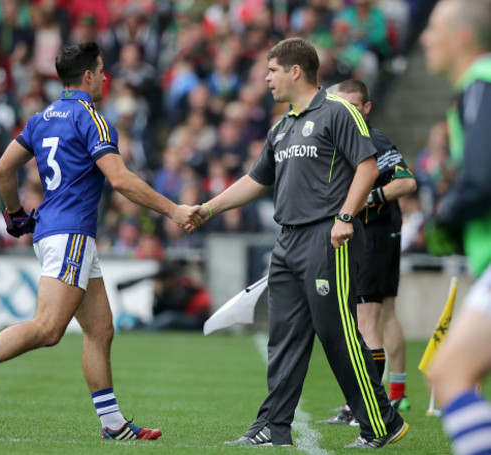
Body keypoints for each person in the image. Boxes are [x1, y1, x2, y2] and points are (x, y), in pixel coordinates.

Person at [0, 42, 200, 440]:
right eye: (102, 69)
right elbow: (121, 180)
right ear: (88, 76)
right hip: (72, 232)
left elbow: (3, 168)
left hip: (58, 231)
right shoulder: (92, 118)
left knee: (100, 329)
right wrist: (175, 211)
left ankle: (113, 425)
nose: (106, 76)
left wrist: (14, 216)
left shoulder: (42, 117)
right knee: (48, 328)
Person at [195, 38, 407, 448]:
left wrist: (345, 216)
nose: (266, 79)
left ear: (295, 71)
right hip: (287, 240)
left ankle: (382, 422)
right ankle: (273, 427)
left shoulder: (338, 111)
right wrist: (207, 208)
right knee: (285, 337)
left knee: (337, 332)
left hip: (328, 235)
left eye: (272, 71)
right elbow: (256, 181)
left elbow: (366, 166)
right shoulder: (282, 127)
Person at [320, 79, 417, 426]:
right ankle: (396, 392)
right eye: (339, 106)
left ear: (366, 107)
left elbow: (407, 182)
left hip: (375, 234)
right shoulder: (343, 139)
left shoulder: (372, 139)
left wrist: (367, 200)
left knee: (367, 319)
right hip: (383, 231)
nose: (344, 113)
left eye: (351, 106)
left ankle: (364, 406)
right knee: (385, 313)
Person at [421, 1, 491, 454]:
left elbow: (483, 177)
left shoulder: (481, 82)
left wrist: (442, 217)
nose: (425, 37)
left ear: (461, 38)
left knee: (448, 373)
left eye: (432, 28)